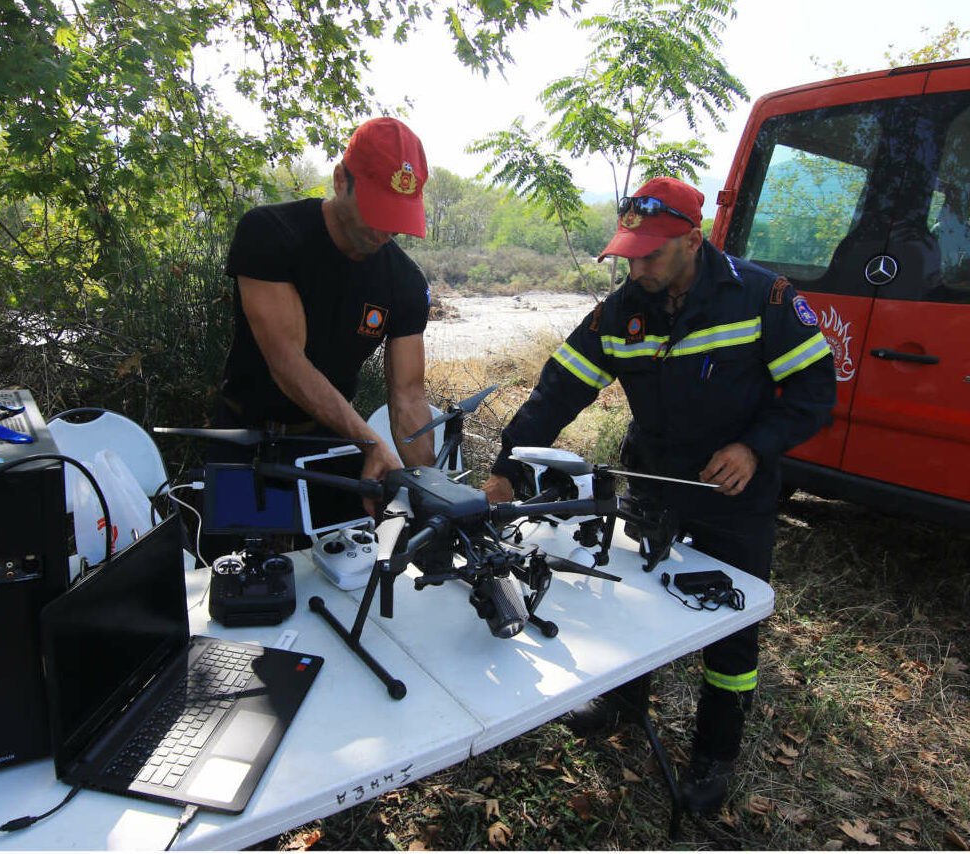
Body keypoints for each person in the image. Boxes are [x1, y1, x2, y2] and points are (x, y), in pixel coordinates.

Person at [481, 177, 836, 816]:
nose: (635, 266)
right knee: (636, 602)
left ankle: (714, 753)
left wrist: (755, 448)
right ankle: (624, 701)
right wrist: (509, 465)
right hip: (651, 487)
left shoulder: (762, 298)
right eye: (628, 254)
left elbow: (814, 396)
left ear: (693, 240)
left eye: (649, 254)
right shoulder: (621, 312)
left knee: (731, 623)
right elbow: (558, 391)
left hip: (735, 495)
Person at [212, 117, 436, 510]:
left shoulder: (405, 281)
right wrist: (370, 440)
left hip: (329, 440)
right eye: (376, 211)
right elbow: (288, 365)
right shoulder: (270, 234)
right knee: (240, 563)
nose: (384, 232)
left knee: (346, 561)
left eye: (396, 219)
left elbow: (409, 397)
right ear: (340, 180)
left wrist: (431, 489)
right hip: (246, 442)